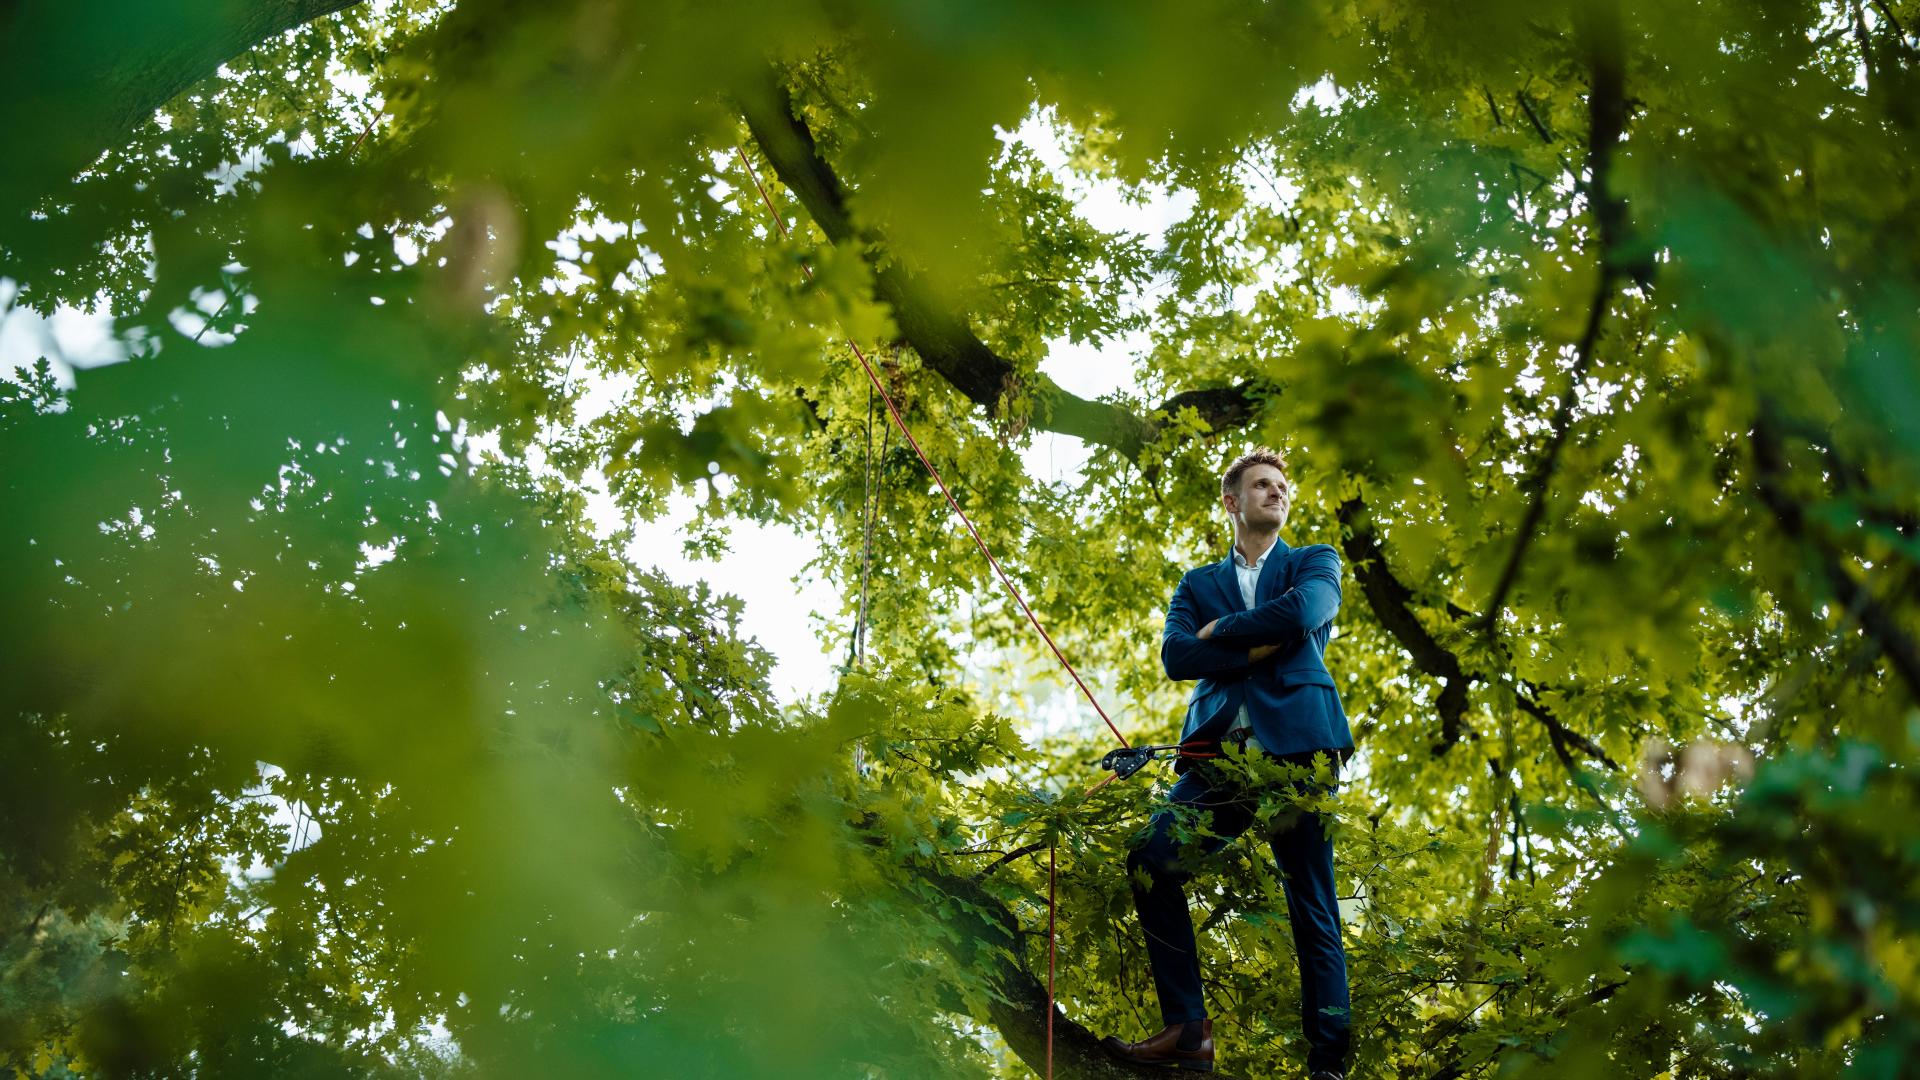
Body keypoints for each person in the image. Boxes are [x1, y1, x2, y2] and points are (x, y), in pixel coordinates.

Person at [1100, 448, 1353, 1079]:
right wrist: (1248, 648)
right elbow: (1177, 657)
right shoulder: (1196, 583)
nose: (1276, 492)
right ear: (1232, 501)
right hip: (1218, 760)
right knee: (1150, 859)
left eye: (1282, 486)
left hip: (1297, 750)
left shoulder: (1313, 561)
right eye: (1262, 485)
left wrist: (1221, 633)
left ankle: (1328, 1062)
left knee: (1311, 903)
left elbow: (1304, 613)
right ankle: (1188, 1034)